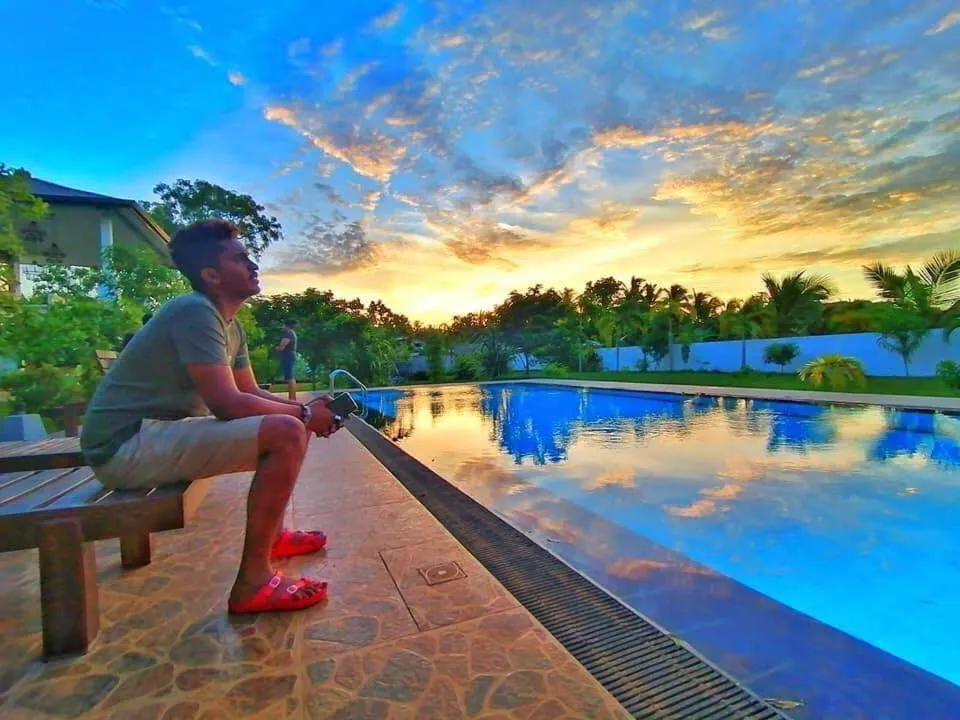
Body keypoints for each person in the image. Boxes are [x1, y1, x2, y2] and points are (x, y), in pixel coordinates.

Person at [80, 219, 339, 614]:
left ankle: (274, 537)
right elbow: (227, 404)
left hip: (153, 435)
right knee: (288, 430)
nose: (253, 265)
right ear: (211, 275)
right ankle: (252, 582)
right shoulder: (195, 312)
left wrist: (306, 411)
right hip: (124, 447)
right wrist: (302, 413)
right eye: (240, 259)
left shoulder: (228, 324)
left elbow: (249, 392)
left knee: (291, 426)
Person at [275, 318, 299, 400]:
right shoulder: (291, 333)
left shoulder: (288, 334)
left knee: (290, 377)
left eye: (283, 325)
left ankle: (292, 398)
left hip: (288, 355)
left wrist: (277, 348)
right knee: (290, 377)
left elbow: (282, 347)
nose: (282, 327)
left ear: (286, 325)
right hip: (289, 355)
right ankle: (292, 398)